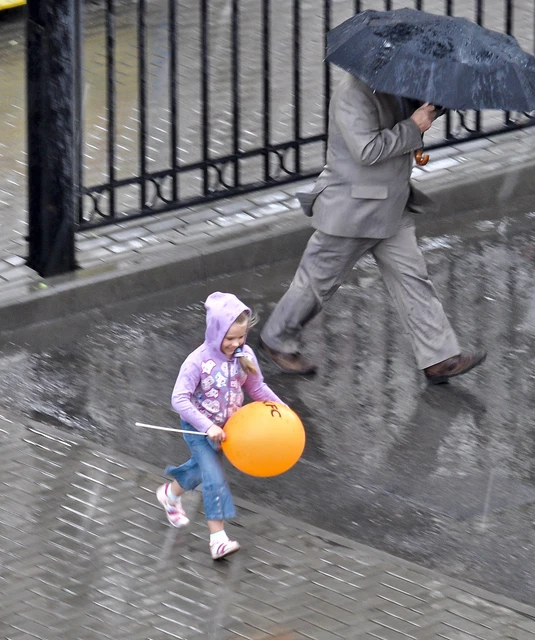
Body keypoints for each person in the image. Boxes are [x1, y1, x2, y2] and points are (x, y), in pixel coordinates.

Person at [257, 73, 486, 384]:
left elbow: (406, 117)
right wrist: (413, 126)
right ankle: (276, 340)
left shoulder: (395, 85)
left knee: (413, 279)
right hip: (353, 209)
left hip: (392, 205)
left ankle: (439, 357)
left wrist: (434, 107)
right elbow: (367, 150)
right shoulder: (353, 95)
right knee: (316, 283)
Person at [156, 291, 282, 560]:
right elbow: (178, 399)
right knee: (214, 477)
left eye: (241, 337)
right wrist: (206, 426)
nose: (236, 343)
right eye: (230, 338)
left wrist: (282, 410)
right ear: (215, 332)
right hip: (197, 427)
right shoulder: (197, 362)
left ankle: (170, 493)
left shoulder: (244, 355)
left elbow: (257, 387)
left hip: (228, 429)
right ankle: (218, 539)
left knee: (201, 471)